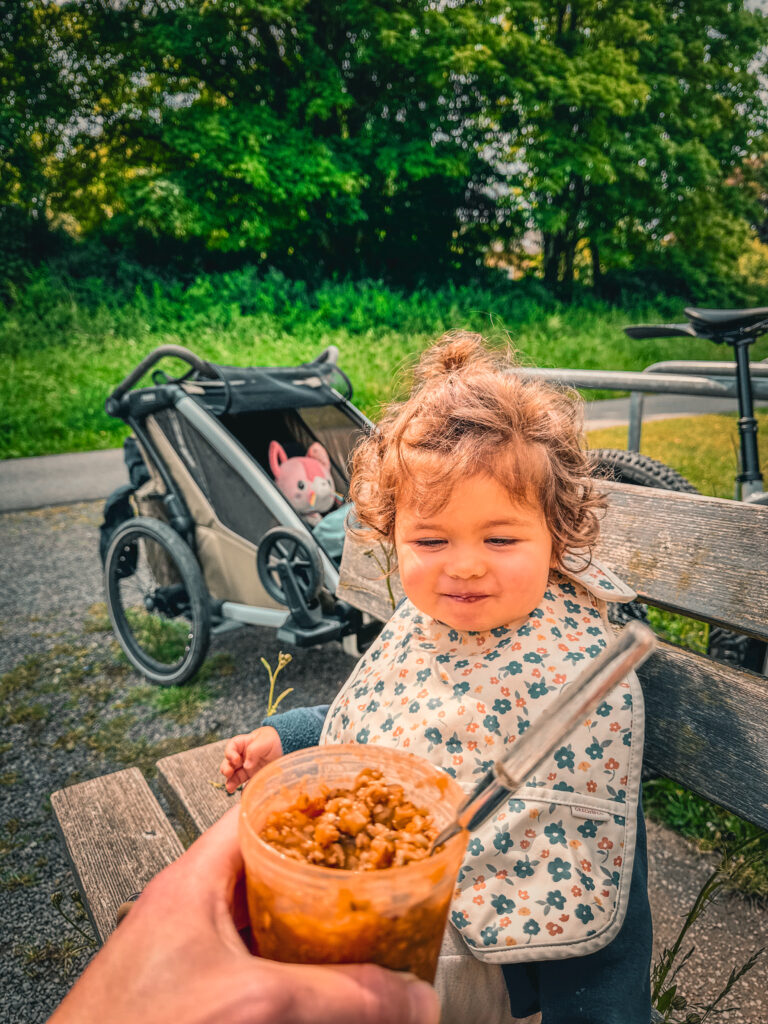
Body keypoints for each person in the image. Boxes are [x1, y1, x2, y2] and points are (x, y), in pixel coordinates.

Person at [221, 333, 653, 1024]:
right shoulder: (431, 626)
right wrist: (296, 734)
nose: (466, 565)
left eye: (502, 539)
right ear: (392, 538)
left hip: (486, 961)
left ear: (558, 533)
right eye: (430, 541)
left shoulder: (577, 683)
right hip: (387, 908)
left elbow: (586, 867)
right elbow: (404, 723)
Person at [48, 804, 441, 1024]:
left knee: (445, 987)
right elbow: (333, 718)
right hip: (294, 914)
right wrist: (284, 733)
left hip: (455, 921)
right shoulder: (394, 656)